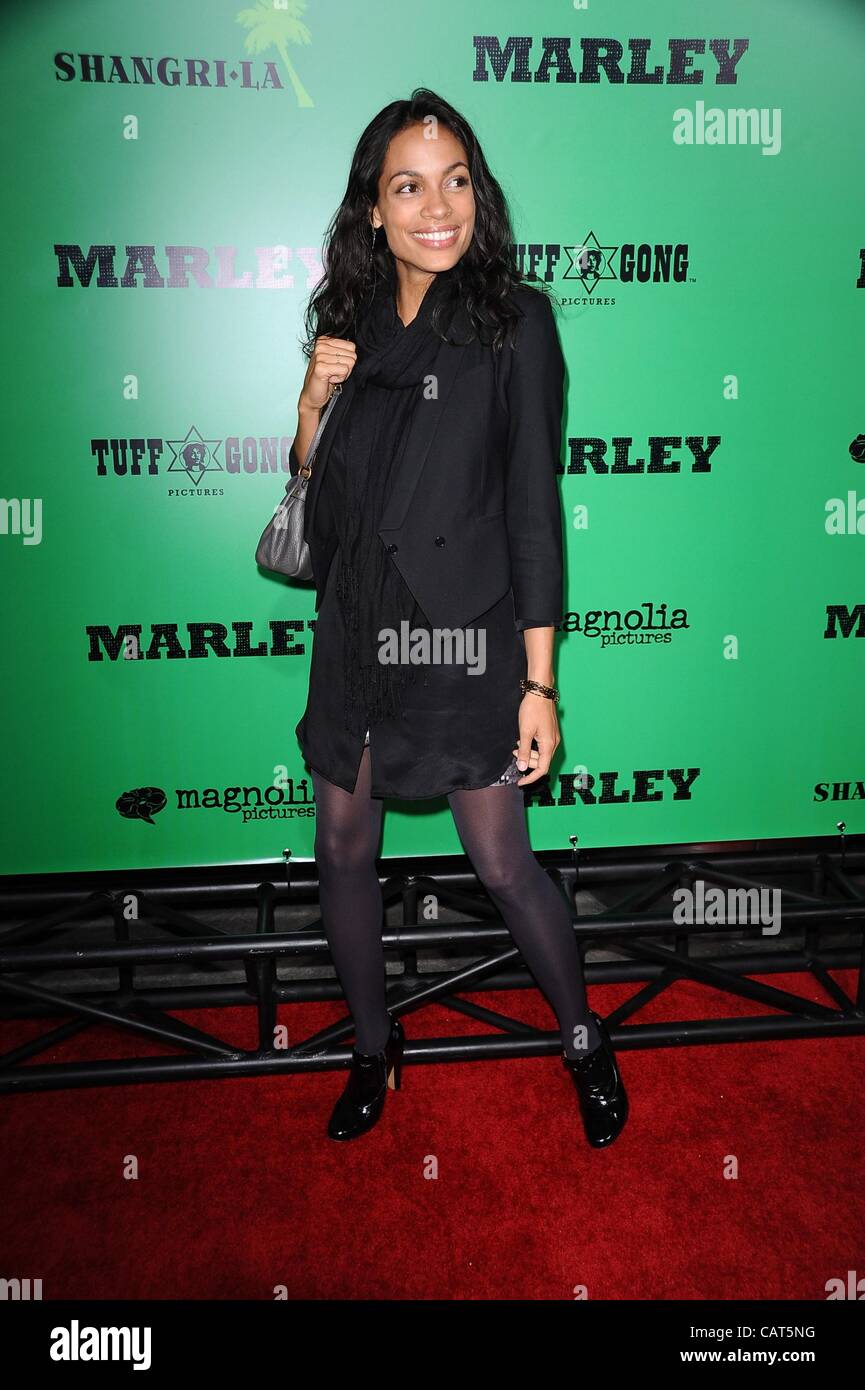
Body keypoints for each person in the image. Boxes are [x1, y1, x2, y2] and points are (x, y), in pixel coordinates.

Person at [286, 88, 628, 1149]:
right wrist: (308, 406)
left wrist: (539, 684)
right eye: (407, 186)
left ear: (476, 189)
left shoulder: (514, 320)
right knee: (342, 847)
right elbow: (322, 500)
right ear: (372, 210)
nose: (437, 206)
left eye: (455, 180)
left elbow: (531, 511)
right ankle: (371, 1047)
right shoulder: (342, 321)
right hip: (356, 627)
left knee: (501, 861)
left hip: (466, 634)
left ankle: (581, 1036)